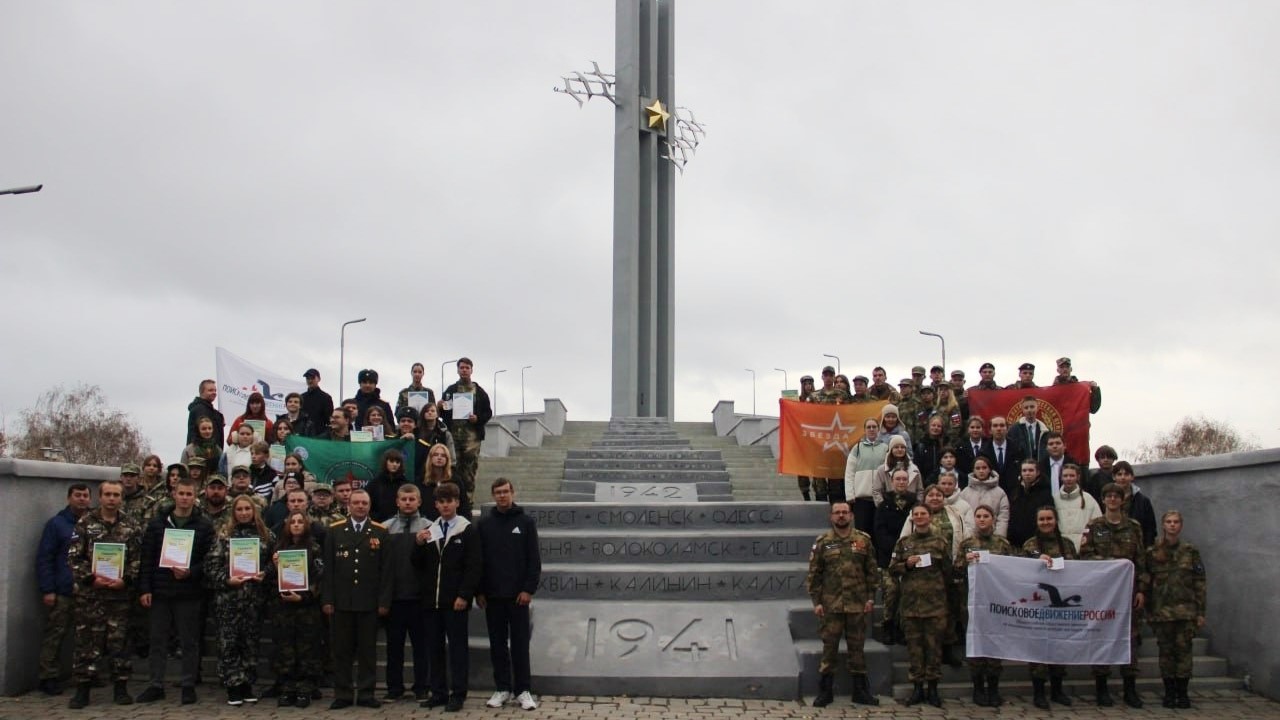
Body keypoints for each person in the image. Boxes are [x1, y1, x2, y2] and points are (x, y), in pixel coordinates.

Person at [136, 477, 215, 705]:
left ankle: (188, 684)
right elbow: (147, 558)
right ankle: (155, 684)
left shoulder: (204, 526)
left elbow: (210, 560)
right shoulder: (158, 524)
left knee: (189, 641)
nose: (185, 498)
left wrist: (191, 571)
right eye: (181, 493)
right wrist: (145, 588)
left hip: (189, 592)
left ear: (195, 497)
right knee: (158, 640)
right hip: (160, 591)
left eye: (189, 494)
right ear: (174, 494)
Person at [65, 480, 142, 709]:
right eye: (107, 494)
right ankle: (82, 689)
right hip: (91, 596)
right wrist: (91, 578)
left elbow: (138, 558)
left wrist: (126, 579)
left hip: (119, 597)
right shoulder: (85, 523)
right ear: (100, 497)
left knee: (119, 644)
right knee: (87, 642)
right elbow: (74, 557)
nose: (112, 498)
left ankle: (120, 687)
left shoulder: (131, 525)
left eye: (116, 495)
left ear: (121, 498)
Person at [413, 482, 482, 712]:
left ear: (457, 503)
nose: (445, 505)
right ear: (436, 505)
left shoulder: (466, 529)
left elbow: (473, 566)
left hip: (455, 602)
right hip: (432, 601)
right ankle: (438, 692)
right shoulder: (431, 530)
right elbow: (418, 565)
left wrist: (464, 594)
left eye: (449, 501)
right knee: (434, 648)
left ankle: (458, 693)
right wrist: (419, 545)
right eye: (441, 502)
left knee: (457, 649)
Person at [1080, 482, 1149, 708]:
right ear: (1103, 500)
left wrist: (1141, 589)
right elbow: (1085, 556)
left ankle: (1130, 689)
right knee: (1101, 637)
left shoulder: (1134, 527)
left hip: (1128, 594)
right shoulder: (1094, 526)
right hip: (1102, 593)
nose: (1112, 500)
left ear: (1122, 500)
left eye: (1116, 496)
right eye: (1108, 496)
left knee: (1129, 639)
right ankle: (1102, 688)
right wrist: (1110, 566)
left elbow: (1141, 560)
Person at [322, 489, 392, 709]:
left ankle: (365, 693)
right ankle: (342, 693)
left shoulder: (380, 532)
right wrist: (327, 599)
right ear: (348, 506)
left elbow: (386, 571)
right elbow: (329, 570)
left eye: (364, 503)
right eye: (356, 503)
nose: (360, 506)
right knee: (341, 651)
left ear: (369, 506)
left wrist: (383, 601)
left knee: (367, 652)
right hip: (342, 602)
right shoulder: (335, 531)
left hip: (369, 603)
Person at [805, 501, 879, 707]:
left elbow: (872, 571)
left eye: (844, 512)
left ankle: (860, 691)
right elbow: (814, 574)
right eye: (837, 513)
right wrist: (816, 601)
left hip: (857, 604)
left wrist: (871, 597)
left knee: (857, 648)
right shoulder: (823, 542)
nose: (841, 516)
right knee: (830, 648)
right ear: (831, 517)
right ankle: (825, 691)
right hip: (831, 604)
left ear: (851, 515)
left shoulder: (863, 541)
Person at [477, 479, 542, 711]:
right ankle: (502, 688)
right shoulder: (484, 524)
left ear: (512, 493)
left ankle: (523, 690)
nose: (502, 496)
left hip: (518, 597)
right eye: (498, 493)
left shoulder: (525, 522)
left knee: (520, 644)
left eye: (505, 492)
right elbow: (479, 561)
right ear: (493, 495)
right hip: (493, 596)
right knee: (497, 644)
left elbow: (533, 560)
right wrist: (480, 590)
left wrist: (528, 589)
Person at [205, 496, 272, 706]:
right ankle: (233, 685)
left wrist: (265, 573)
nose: (244, 512)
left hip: (253, 600)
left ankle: (247, 684)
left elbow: (276, 562)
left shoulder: (266, 535)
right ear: (233, 512)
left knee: (250, 644)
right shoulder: (223, 535)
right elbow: (211, 565)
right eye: (240, 509)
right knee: (228, 643)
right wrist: (226, 579)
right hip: (228, 599)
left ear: (254, 511)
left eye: (247, 509)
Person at [890, 504, 951, 707]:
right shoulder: (904, 543)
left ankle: (933, 689)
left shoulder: (940, 542)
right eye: (916, 514)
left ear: (930, 516)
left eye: (923, 514)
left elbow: (948, 571)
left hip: (935, 605)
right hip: (911, 605)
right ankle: (917, 688)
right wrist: (906, 565)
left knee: (933, 650)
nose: (919, 517)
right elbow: (892, 569)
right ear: (912, 518)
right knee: (915, 649)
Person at [955, 505, 1014, 707]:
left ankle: (994, 688)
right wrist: (965, 560)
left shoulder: (1003, 544)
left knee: (994, 646)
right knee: (975, 646)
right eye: (978, 516)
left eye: (986, 516)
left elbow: (1013, 571)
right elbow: (955, 570)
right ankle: (978, 688)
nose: (982, 519)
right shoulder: (967, 544)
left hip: (995, 603)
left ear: (993, 519)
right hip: (972, 603)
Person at [1147, 510, 1206, 709]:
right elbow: (1147, 582)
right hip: (1161, 612)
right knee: (1166, 653)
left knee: (1184, 653)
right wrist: (1148, 611)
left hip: (1185, 612)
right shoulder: (1153, 552)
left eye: (1176, 522)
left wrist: (1200, 612)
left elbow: (1199, 582)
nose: (1172, 525)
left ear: (1181, 525)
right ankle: (1169, 692)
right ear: (1163, 525)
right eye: (1169, 522)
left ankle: (1183, 692)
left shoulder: (1190, 551)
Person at [265, 511, 324, 708]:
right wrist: (274, 566)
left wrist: (304, 596)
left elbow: (319, 579)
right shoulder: (279, 548)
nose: (297, 525)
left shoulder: (314, 548)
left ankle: (305, 688)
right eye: (293, 522)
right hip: (282, 609)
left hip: (306, 609)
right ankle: (287, 687)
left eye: (300, 522)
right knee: (285, 648)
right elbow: (269, 579)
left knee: (307, 649)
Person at [37, 482, 92, 695]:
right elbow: (45, 558)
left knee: (86, 636)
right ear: (69, 498)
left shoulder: (93, 523)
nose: (81, 499)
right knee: (56, 634)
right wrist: (47, 589)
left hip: (89, 589)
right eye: (77, 495)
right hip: (63, 589)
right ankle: (48, 676)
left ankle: (86, 674)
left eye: (85, 495)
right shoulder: (57, 524)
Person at [1022, 505, 1077, 708]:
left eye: (1049, 519)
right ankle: (1038, 692)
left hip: (1060, 605)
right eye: (1042, 519)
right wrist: (1036, 560)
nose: (1046, 523)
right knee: (1038, 649)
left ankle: (1057, 689)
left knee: (1059, 647)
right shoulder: (1029, 545)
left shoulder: (1067, 545)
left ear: (1055, 520)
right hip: (1038, 605)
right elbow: (1020, 572)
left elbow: (1079, 571)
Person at [383, 484, 432, 703]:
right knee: (394, 648)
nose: (408, 502)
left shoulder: (430, 527)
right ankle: (394, 688)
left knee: (422, 647)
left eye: (412, 499)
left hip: (420, 599)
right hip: (394, 599)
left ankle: (422, 687)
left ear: (419, 501)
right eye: (404, 499)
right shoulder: (384, 528)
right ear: (397, 501)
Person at [441, 357, 494, 508]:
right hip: (453, 438)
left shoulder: (479, 391)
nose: (464, 370)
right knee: (452, 470)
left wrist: (477, 419)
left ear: (471, 370)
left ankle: (468, 503)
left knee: (469, 472)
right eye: (461, 367)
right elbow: (444, 413)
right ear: (457, 370)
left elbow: (488, 412)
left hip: (472, 439)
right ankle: (453, 501)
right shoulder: (451, 390)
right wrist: (440, 407)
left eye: (467, 368)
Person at [872, 469, 915, 646]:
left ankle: (903, 629)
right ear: (892, 481)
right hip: (888, 557)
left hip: (911, 557)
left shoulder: (915, 504)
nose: (901, 482)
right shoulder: (885, 505)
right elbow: (879, 531)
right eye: (898, 479)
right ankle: (888, 626)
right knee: (891, 592)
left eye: (904, 479)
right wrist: (895, 549)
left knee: (908, 593)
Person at [842, 418, 886, 527]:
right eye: (868, 427)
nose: (871, 429)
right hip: (861, 500)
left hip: (881, 498)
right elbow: (849, 473)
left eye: (874, 427)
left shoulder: (886, 448)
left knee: (878, 530)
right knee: (862, 531)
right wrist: (850, 494)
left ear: (878, 429)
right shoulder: (857, 448)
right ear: (864, 430)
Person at [1007, 459, 1053, 548]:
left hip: (1037, 540)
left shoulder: (1045, 493)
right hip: (1016, 541)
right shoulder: (1015, 492)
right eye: (1024, 470)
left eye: (1031, 470)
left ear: (1038, 472)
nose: (1027, 473)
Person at [959, 456, 1009, 537]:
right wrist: (967, 536)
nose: (981, 471)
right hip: (971, 538)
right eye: (978, 468)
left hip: (993, 538)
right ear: (973, 470)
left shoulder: (1000, 493)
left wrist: (999, 538)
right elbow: (961, 516)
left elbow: (1003, 518)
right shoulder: (965, 493)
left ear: (989, 469)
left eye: (984, 468)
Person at [1112, 461, 1158, 547]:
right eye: (1119, 474)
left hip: (1137, 549)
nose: (1123, 477)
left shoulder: (1143, 501)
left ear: (1132, 477)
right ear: (1114, 477)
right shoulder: (1107, 499)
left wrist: (1147, 548)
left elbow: (1150, 529)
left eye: (1126, 474)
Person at [1054, 463, 1101, 547]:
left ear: (1078, 477)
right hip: (1061, 546)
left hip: (1083, 547)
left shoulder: (1088, 499)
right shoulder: (1055, 499)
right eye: (1065, 476)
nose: (1068, 478)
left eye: (1072, 475)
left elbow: (1097, 523)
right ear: (1061, 477)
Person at [423, 442, 471, 520]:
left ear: (447, 459)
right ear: (430, 458)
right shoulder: (423, 481)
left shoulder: (455, 480)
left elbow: (464, 505)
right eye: (436, 455)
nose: (439, 458)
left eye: (443, 456)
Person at [870, 434, 920, 508]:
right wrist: (883, 506)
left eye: (902, 447)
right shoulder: (882, 470)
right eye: (896, 447)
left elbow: (920, 490)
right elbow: (876, 491)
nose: (899, 449)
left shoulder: (914, 469)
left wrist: (917, 507)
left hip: (910, 508)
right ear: (891, 449)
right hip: (889, 508)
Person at [368, 448, 417, 522]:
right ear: (385, 462)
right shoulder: (375, 483)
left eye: (397, 462)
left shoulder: (406, 484)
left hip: (401, 525)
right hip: (379, 524)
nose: (394, 464)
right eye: (391, 461)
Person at [1037, 431, 1080, 496]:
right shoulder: (1040, 467)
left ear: (1064, 446)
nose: (1054, 446)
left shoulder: (1074, 464)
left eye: (1058, 443)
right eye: (1051, 444)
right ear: (1046, 447)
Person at [187, 379, 226, 449]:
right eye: (210, 390)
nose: (214, 392)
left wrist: (219, 419)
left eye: (215, 390)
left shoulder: (214, 413)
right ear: (202, 392)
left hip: (214, 452)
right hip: (203, 454)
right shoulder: (199, 410)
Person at [354, 369, 395, 433]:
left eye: (371, 383)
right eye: (364, 382)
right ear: (360, 384)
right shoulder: (352, 404)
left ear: (375, 385)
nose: (368, 385)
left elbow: (391, 426)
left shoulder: (384, 405)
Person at [1011, 395, 1049, 463]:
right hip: (1022, 467)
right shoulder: (1014, 429)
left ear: (1037, 408)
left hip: (1040, 466)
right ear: (1022, 410)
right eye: (1026, 408)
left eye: (1032, 407)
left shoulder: (1045, 430)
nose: (1029, 410)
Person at [956, 416, 993, 482]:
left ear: (982, 429)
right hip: (967, 482)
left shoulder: (989, 444)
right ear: (968, 429)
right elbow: (959, 467)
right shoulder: (960, 446)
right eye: (972, 427)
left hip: (987, 481)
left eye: (978, 427)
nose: (975, 430)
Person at [300, 369, 334, 438]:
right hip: (303, 435)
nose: (310, 380)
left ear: (319, 379)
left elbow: (329, 418)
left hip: (319, 435)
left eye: (312, 378)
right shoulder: (301, 397)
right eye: (307, 378)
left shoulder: (326, 397)